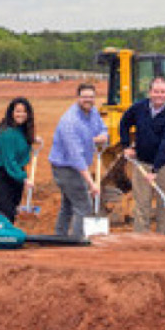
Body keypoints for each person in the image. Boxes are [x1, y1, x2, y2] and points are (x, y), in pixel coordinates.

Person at [120, 76, 165, 235]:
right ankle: (141, 239)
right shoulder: (139, 108)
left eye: (162, 92)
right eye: (156, 91)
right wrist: (126, 145)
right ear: (150, 92)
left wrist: (155, 170)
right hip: (142, 163)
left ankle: (164, 240)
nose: (159, 95)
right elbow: (124, 122)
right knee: (141, 205)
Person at [48, 83, 108, 238]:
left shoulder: (93, 112)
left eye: (91, 97)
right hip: (65, 168)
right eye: (85, 97)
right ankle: (78, 241)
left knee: (68, 204)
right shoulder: (70, 122)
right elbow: (76, 157)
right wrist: (92, 184)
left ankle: (60, 236)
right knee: (84, 205)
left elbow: (103, 128)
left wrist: (102, 136)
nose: (88, 100)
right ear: (78, 98)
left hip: (76, 166)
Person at [0, 97, 42, 223]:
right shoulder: (6, 133)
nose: (21, 115)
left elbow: (19, 141)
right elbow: (10, 161)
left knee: (12, 213)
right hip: (3, 176)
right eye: (17, 111)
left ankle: (7, 239)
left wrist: (32, 139)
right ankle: (2, 239)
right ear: (11, 113)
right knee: (6, 212)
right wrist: (24, 178)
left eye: (24, 112)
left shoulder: (21, 130)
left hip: (16, 174)